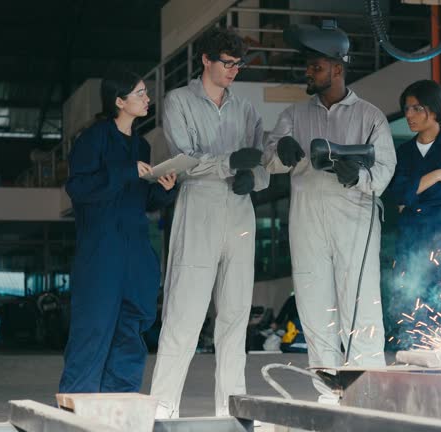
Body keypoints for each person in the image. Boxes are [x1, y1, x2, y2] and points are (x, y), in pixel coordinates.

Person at [150, 27, 269, 418]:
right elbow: (185, 158)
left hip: (240, 212)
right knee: (183, 316)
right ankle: (162, 412)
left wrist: (257, 177)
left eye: (239, 64)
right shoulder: (179, 101)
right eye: (228, 63)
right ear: (206, 60)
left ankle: (232, 413)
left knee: (235, 318)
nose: (235, 71)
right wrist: (229, 164)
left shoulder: (246, 109)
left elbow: (260, 160)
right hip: (198, 210)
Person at [263, 22, 396, 371]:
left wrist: (359, 176)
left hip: (354, 220)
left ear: (337, 68)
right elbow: (270, 159)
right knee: (312, 304)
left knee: (359, 304)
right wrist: (282, 149)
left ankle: (367, 387)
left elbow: (384, 170)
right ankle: (326, 389)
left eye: (316, 67)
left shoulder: (370, 117)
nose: (309, 72)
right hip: (307, 221)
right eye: (308, 65)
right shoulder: (294, 115)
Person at [59, 73, 178, 393]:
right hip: (102, 251)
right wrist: (124, 172)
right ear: (119, 102)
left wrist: (164, 191)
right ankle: (75, 415)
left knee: (131, 331)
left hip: (136, 251)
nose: (146, 99)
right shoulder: (93, 139)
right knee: (93, 330)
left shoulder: (140, 145)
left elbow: (138, 199)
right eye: (139, 94)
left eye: (145, 94)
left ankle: (119, 411)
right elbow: (79, 188)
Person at [387, 79, 441, 349]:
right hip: (412, 237)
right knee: (412, 296)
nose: (409, 115)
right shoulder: (403, 151)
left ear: (434, 111)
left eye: (417, 109)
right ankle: (414, 351)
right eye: (407, 109)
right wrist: (438, 174)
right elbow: (397, 195)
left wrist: (414, 191)